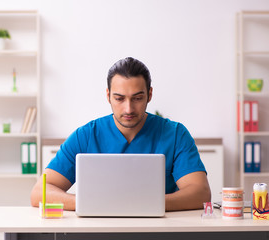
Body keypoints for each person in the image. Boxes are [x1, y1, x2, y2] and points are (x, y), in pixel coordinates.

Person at [31, 57, 211, 211]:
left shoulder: (175, 134)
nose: (129, 108)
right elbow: (40, 193)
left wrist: (146, 204)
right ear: (108, 95)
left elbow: (200, 192)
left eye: (137, 98)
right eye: (119, 98)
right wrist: (89, 204)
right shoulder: (85, 136)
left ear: (149, 94)